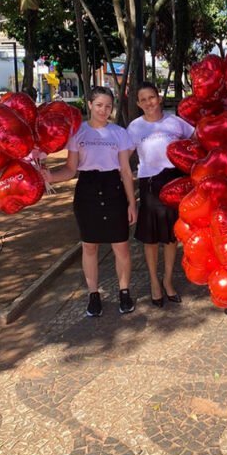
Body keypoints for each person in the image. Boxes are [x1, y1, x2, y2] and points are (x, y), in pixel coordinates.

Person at [44, 86, 137, 316]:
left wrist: (131, 202)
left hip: (113, 189)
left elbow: (126, 171)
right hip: (87, 191)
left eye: (108, 106)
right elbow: (70, 170)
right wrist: (50, 177)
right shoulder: (78, 133)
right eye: (99, 105)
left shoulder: (119, 133)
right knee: (89, 246)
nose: (104, 110)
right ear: (89, 105)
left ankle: (124, 292)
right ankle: (93, 294)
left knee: (121, 246)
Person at [126, 81, 194, 307]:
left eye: (152, 98)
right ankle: (154, 282)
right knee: (151, 237)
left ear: (159, 98)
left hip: (174, 182)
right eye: (143, 100)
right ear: (138, 103)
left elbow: (195, 140)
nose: (149, 103)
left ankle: (167, 280)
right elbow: (122, 158)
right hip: (149, 184)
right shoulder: (134, 127)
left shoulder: (175, 122)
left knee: (170, 237)